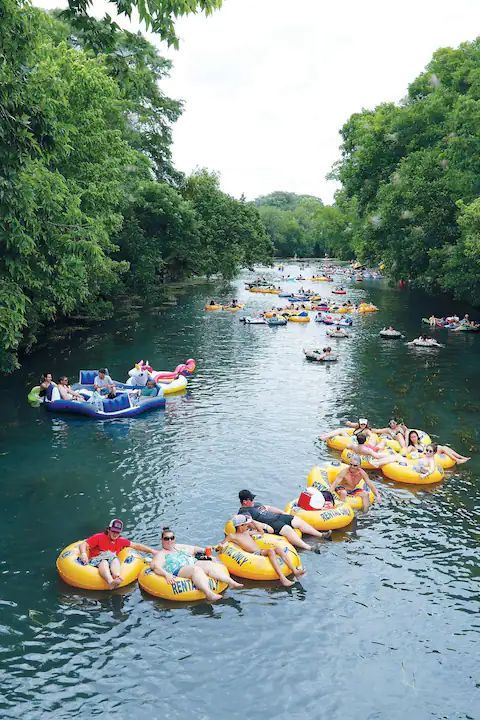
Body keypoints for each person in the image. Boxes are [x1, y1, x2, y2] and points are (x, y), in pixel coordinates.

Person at [150, 527, 243, 602]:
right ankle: (209, 593)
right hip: (179, 569)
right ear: (162, 540)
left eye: (172, 538)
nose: (170, 540)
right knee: (195, 570)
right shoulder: (161, 554)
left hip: (193, 562)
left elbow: (194, 549)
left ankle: (231, 582)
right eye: (166, 538)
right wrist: (166, 575)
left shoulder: (179, 547)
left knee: (209, 565)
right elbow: (155, 566)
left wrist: (205, 550)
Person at [221, 515, 306, 587]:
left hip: (260, 551)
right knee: (271, 551)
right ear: (240, 526)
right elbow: (223, 543)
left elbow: (261, 533)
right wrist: (219, 547)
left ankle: (295, 571)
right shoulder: (233, 536)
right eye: (246, 525)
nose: (248, 526)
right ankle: (282, 578)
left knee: (278, 549)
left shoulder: (246, 532)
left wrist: (254, 522)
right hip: (253, 555)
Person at [238, 490, 331, 552]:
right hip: (271, 523)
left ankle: (321, 535)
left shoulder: (255, 504)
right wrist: (265, 526)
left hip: (277, 516)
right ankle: (309, 547)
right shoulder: (244, 512)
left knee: (297, 520)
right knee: (287, 529)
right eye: (251, 499)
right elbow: (251, 523)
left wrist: (283, 513)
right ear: (245, 501)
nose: (253, 500)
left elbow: (269, 508)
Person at [79, 519, 156, 590]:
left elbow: (136, 546)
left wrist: (152, 551)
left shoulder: (120, 541)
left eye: (117, 532)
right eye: (113, 531)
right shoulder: (99, 537)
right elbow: (84, 544)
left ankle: (116, 577)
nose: (115, 534)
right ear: (108, 530)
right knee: (104, 562)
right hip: (97, 560)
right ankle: (110, 581)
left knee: (115, 559)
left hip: (111, 559)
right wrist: (83, 553)